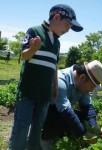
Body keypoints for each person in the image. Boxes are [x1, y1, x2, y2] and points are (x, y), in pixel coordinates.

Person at [8, 4, 83, 150]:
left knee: (37, 130)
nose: (68, 30)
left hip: (44, 95)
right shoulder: (34, 31)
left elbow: (54, 66)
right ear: (56, 17)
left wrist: (55, 86)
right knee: (21, 130)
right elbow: (24, 56)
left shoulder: (57, 42)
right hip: (28, 92)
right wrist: (33, 48)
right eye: (67, 25)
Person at [40, 60, 102, 149]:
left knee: (83, 117)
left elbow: (88, 107)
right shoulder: (60, 80)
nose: (91, 90)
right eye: (92, 86)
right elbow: (66, 112)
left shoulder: (82, 84)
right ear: (83, 77)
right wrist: (84, 134)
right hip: (42, 112)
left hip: (59, 111)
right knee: (61, 117)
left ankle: (63, 136)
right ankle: (44, 138)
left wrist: (94, 126)